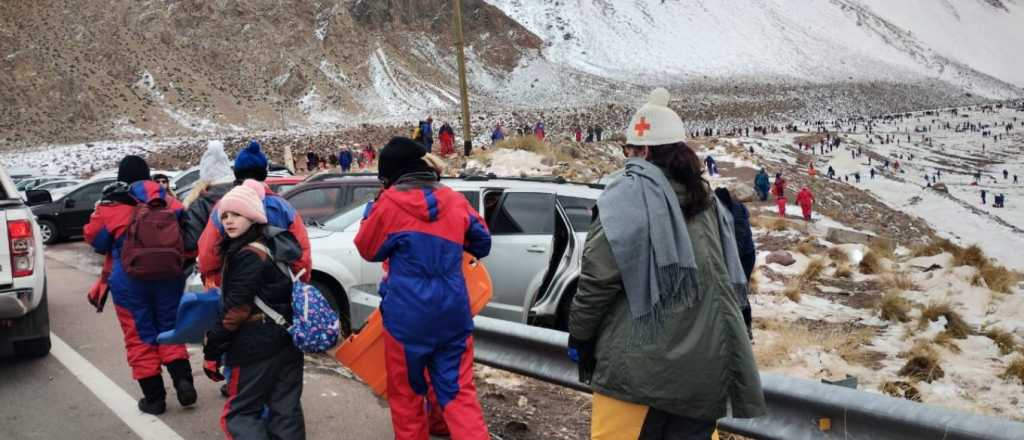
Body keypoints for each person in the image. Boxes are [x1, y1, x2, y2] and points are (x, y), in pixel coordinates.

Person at [568, 88, 764, 439]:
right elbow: (734, 278)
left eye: (628, 151)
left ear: (642, 150)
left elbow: (597, 281)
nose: (626, 159)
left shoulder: (625, 197)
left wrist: (580, 337)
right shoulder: (712, 206)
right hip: (703, 375)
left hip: (635, 373)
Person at [355, 137, 492, 440]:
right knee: (459, 395)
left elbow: (367, 248)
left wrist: (374, 209)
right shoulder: (455, 199)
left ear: (390, 176)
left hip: (407, 318)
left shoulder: (388, 203)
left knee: (407, 397)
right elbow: (483, 241)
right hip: (453, 312)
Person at [84, 155, 195, 415]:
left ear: (121, 178)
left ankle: (154, 399)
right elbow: (188, 237)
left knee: (140, 338)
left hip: (130, 281)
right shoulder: (169, 201)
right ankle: (184, 382)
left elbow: (96, 240)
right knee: (170, 327)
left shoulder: (112, 205)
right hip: (169, 276)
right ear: (148, 175)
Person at [202, 180, 306, 439]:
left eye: (236, 214)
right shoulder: (272, 244)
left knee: (240, 415)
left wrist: (213, 348)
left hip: (254, 345)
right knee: (285, 412)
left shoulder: (247, 254)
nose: (228, 220)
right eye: (224, 215)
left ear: (252, 215)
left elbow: (236, 309)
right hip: (286, 340)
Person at [197, 140, 312, 289]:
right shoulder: (283, 207)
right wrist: (299, 280)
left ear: (236, 173)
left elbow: (208, 252)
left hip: (235, 288)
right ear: (264, 173)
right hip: (277, 289)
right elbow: (301, 250)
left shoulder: (225, 206)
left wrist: (214, 280)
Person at [714, 187, 755, 339]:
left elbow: (737, 244)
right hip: (738, 255)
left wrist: (725, 259)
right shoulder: (727, 211)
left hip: (744, 257)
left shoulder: (735, 216)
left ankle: (746, 327)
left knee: (739, 289)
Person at [183, 140, 236, 252]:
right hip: (244, 259)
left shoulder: (200, 203)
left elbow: (191, 242)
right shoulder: (244, 195)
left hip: (211, 259)